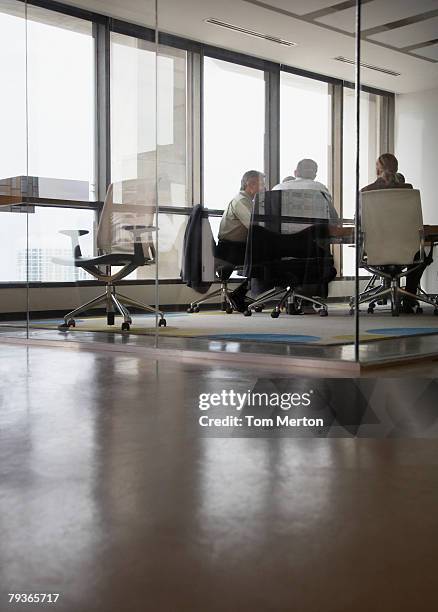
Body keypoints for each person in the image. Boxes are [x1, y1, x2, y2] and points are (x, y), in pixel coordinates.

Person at [361, 153, 431, 313]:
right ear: (397, 168)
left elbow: (360, 223)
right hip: (406, 250)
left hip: (375, 251)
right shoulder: (408, 191)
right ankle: (409, 298)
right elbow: (415, 221)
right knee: (420, 256)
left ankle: (399, 294)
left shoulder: (365, 192)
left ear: (377, 170)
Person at [217, 170, 265, 311]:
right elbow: (254, 227)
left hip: (234, 248)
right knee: (268, 259)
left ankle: (244, 293)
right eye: (262, 184)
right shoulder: (242, 201)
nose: (264, 188)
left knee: (266, 256)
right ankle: (240, 295)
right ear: (250, 184)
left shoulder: (246, 200)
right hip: (230, 250)